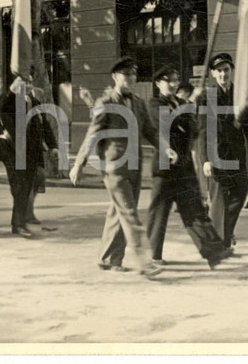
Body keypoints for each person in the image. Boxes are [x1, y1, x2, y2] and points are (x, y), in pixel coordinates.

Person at [70, 57, 177, 277]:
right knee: (129, 213)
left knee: (118, 213)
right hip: (114, 168)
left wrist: (166, 148)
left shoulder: (138, 102)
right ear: (115, 77)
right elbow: (93, 133)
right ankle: (145, 262)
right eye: (126, 74)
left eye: (134, 74)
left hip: (134, 166)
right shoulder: (105, 102)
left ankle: (108, 258)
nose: (131, 79)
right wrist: (79, 163)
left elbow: (150, 131)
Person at [146, 66, 228, 269]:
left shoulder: (181, 103)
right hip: (164, 168)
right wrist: (190, 105)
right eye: (168, 80)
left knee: (194, 210)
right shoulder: (154, 103)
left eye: (175, 80)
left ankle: (214, 251)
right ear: (158, 84)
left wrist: (190, 108)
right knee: (159, 214)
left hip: (183, 166)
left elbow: (194, 127)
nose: (173, 84)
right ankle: (152, 256)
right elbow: (168, 123)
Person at [196, 53, 248, 254]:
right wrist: (204, 160)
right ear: (213, 74)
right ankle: (220, 244)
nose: (223, 74)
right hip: (216, 157)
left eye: (226, 70)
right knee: (219, 202)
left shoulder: (240, 95)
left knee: (240, 193)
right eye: (219, 70)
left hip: (237, 157)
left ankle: (222, 237)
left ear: (232, 71)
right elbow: (202, 131)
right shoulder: (208, 96)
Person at [0, 72, 59, 238]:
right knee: (20, 186)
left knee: (27, 185)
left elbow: (45, 125)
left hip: (31, 151)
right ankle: (18, 224)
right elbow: (3, 107)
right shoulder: (11, 101)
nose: (29, 86)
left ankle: (23, 217)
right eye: (25, 83)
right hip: (12, 151)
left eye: (30, 82)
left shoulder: (35, 102)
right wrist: (12, 91)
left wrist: (53, 146)